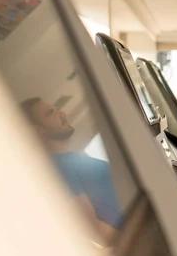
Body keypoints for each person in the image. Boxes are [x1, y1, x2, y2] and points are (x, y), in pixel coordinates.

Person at [21, 97, 122, 245]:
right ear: (39, 131)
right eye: (51, 113)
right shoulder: (57, 168)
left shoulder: (73, 160)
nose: (62, 113)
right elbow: (93, 228)